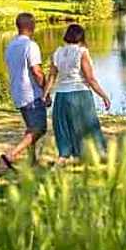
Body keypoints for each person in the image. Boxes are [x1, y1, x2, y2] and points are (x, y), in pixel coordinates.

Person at [44, 23, 110, 165]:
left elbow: (51, 77)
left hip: (61, 96)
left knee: (64, 127)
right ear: (81, 36)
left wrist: (45, 94)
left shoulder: (57, 52)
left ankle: (63, 157)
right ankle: (97, 154)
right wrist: (104, 96)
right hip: (80, 94)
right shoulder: (81, 52)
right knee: (88, 125)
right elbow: (90, 79)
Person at [2, 12, 48, 171]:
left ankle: (32, 161)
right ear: (30, 26)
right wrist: (45, 91)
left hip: (18, 91)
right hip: (31, 93)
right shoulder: (31, 45)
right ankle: (12, 154)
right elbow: (36, 71)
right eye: (34, 23)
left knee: (31, 127)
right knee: (39, 128)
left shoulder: (10, 46)